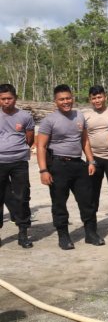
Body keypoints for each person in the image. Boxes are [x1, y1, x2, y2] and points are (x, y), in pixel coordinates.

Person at [37, 84, 103, 250]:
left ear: (72, 98)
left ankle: (91, 233)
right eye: (62, 99)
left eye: (68, 98)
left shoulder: (79, 115)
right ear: (55, 101)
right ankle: (64, 236)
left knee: (87, 201)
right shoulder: (49, 120)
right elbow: (41, 147)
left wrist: (91, 161)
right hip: (58, 165)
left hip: (78, 165)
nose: (66, 102)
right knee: (59, 202)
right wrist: (44, 170)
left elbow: (84, 141)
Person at [0, 83, 35, 248]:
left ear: (15, 98)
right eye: (3, 99)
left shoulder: (25, 116)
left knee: (22, 197)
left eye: (9, 98)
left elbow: (30, 138)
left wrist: (18, 150)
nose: (6, 101)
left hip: (19, 162)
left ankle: (23, 233)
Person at [84, 85, 108, 231]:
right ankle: (91, 222)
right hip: (94, 158)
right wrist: (90, 159)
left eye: (99, 97)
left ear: (105, 97)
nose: (97, 100)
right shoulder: (86, 115)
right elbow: (84, 138)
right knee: (92, 191)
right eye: (94, 98)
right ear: (90, 99)